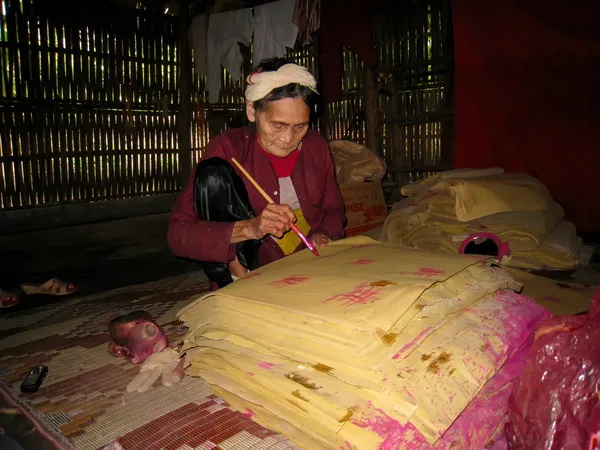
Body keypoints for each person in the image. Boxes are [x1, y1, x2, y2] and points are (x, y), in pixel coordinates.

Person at [168, 58, 346, 289]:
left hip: (306, 267)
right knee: (212, 175)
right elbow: (178, 236)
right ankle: (235, 274)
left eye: (300, 126)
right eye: (278, 125)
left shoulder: (316, 146)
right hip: (251, 275)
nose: (287, 138)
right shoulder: (227, 149)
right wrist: (250, 228)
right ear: (252, 110)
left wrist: (324, 235)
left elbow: (334, 210)